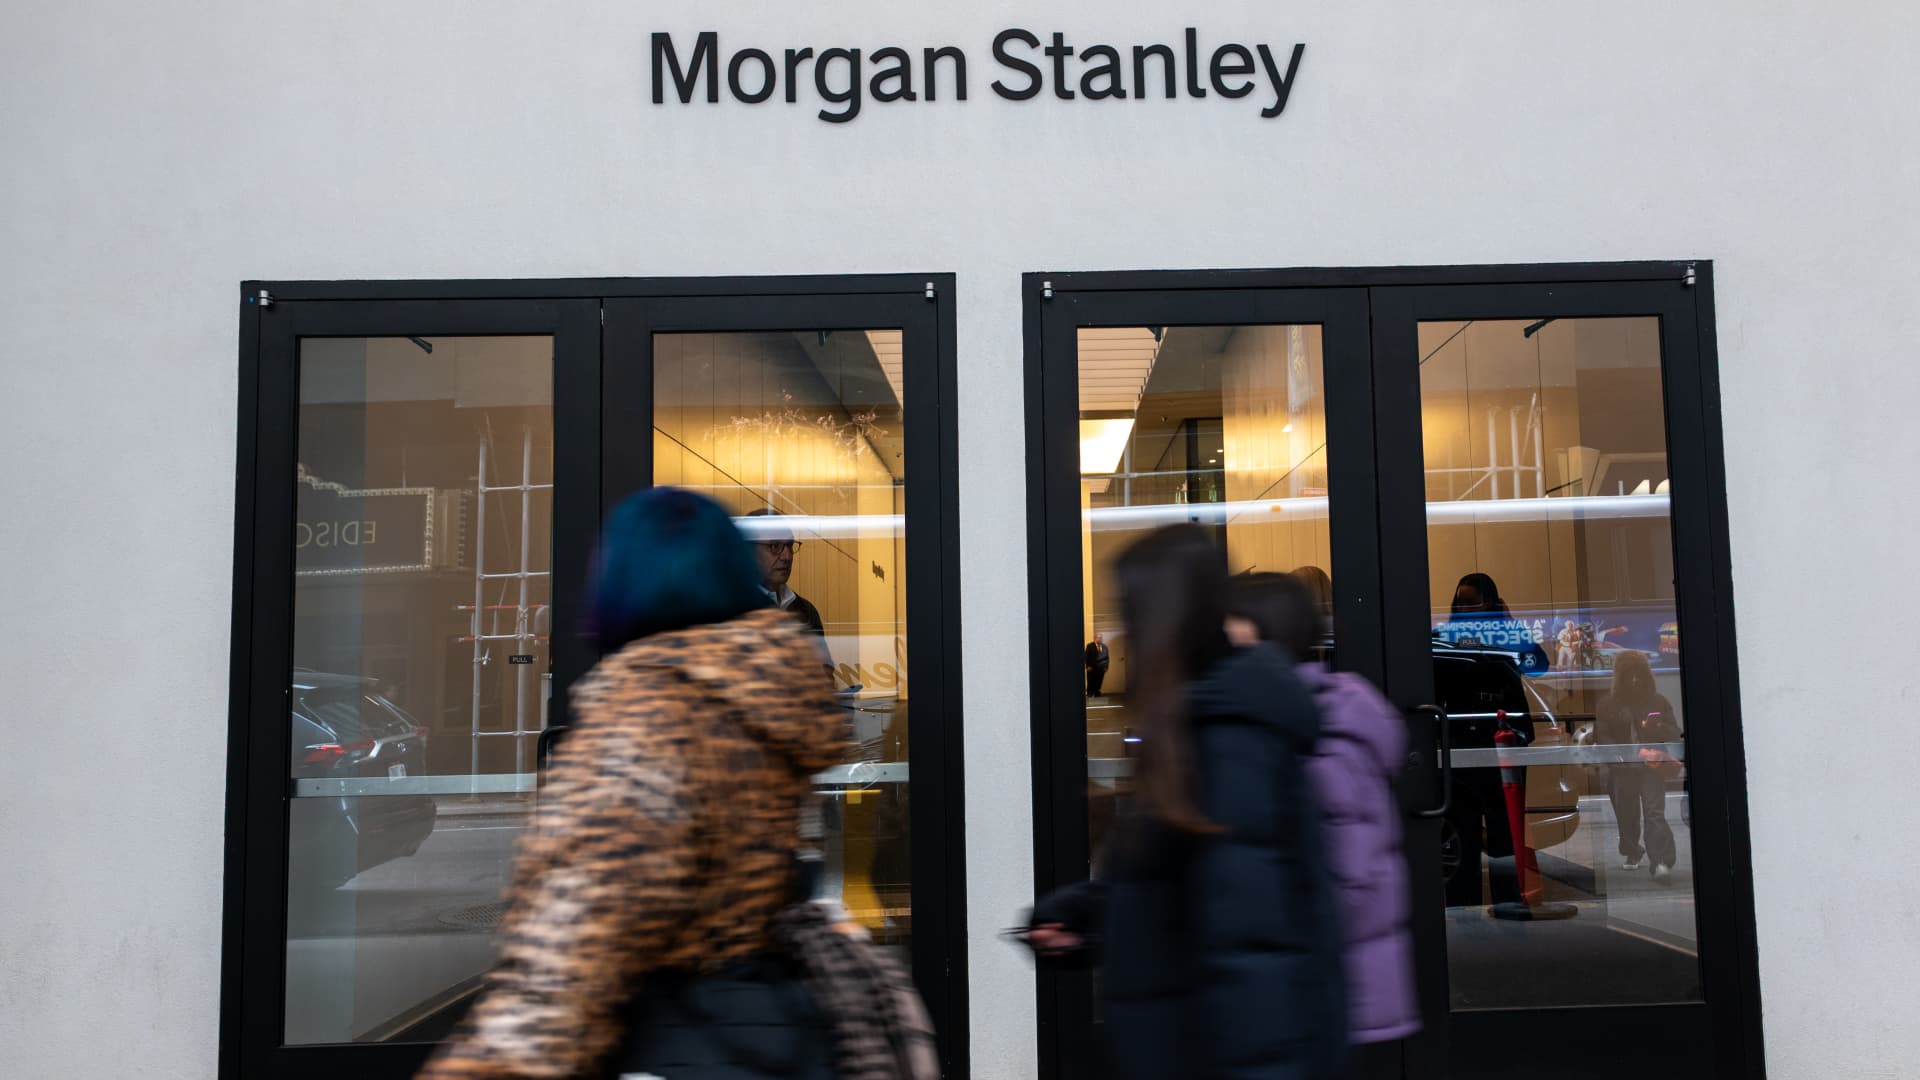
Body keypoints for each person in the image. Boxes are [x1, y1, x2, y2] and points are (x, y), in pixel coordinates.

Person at [418, 488, 853, 1079]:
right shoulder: (763, 701)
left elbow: (561, 974)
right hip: (768, 1031)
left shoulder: (644, 724)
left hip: (671, 1044)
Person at [1027, 524, 1347, 1080]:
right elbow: (1181, 887)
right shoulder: (1194, 727)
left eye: (1132, 612)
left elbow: (1252, 962)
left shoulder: (1227, 740)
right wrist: (1084, 915)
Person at [1224, 573, 1420, 1067]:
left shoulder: (1323, 735)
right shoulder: (1297, 720)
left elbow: (1348, 885)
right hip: (1312, 992)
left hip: (1324, 994)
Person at [1597, 650, 1682, 883]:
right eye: (1629, 675)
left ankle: (1661, 861)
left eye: (1638, 674)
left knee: (1654, 813)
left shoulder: (1657, 701)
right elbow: (1603, 735)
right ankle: (1633, 849)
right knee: (1626, 815)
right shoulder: (1608, 704)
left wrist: (1657, 728)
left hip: (1649, 766)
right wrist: (1618, 756)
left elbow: (1675, 732)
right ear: (1621, 677)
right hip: (1623, 768)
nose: (1635, 680)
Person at [1442, 571, 1551, 675]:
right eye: (1460, 603)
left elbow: (1538, 668)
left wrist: (1512, 626)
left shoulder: (1504, 636)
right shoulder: (1450, 635)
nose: (1463, 609)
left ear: (1488, 603)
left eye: (1471, 603)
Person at [747, 507, 826, 635]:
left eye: (789, 545)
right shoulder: (732, 609)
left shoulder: (806, 611)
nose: (787, 556)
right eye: (775, 546)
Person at [1084, 633, 1110, 697]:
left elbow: (1107, 657)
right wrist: (1087, 666)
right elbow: (1086, 656)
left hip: (1101, 667)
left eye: (1100, 638)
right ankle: (1090, 692)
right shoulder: (1089, 646)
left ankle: (1097, 692)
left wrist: (1106, 666)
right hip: (1091, 667)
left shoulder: (1104, 647)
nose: (1099, 639)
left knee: (1099, 680)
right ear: (1095, 638)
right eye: (1098, 637)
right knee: (1091, 680)